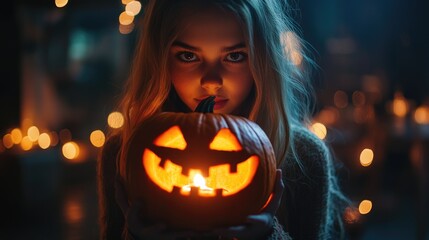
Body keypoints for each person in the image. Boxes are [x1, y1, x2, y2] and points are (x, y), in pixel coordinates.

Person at [98, 0, 349, 239]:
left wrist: (267, 236)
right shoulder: (121, 152)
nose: (211, 82)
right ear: (160, 58)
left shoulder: (305, 156)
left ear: (262, 60)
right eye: (188, 56)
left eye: (234, 56)